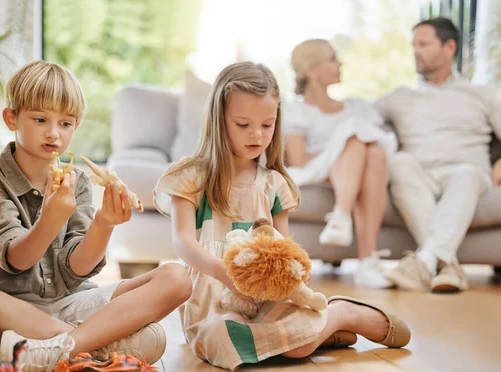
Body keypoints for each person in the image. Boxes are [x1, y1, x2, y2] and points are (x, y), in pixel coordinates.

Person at [153, 62, 410, 371]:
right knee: (219, 337)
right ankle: (318, 331)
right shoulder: (192, 175)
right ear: (218, 120)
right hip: (212, 296)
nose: (257, 134)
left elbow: (285, 242)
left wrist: (297, 274)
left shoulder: (273, 182)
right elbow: (182, 240)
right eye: (243, 124)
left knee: (297, 339)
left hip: (266, 295)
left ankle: (341, 314)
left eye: (267, 124)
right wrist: (222, 272)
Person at [0, 60, 192, 371]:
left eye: (65, 124)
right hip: (12, 312)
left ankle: (52, 353)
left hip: (72, 304)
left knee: (177, 278)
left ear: (75, 126)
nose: (54, 133)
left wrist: (104, 224)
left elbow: (77, 269)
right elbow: (16, 259)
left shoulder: (76, 182)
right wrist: (50, 219)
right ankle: (92, 348)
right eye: (40, 119)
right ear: (12, 118)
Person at [375, 17, 501, 292]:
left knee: (466, 173)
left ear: (449, 47)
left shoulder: (483, 94)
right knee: (399, 161)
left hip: (466, 174)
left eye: (423, 44)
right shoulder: (399, 97)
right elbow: (355, 117)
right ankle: (444, 265)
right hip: (418, 177)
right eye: (414, 45)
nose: (416, 51)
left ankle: (424, 261)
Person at [282, 39, 397, 288]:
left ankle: (343, 221)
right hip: (318, 171)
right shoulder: (297, 111)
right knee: (353, 136)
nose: (340, 63)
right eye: (332, 59)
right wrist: (342, 152)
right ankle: (364, 253)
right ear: (311, 69)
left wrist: (351, 155)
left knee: (373, 153)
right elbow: (299, 160)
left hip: (369, 170)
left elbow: (378, 149)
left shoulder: (356, 107)